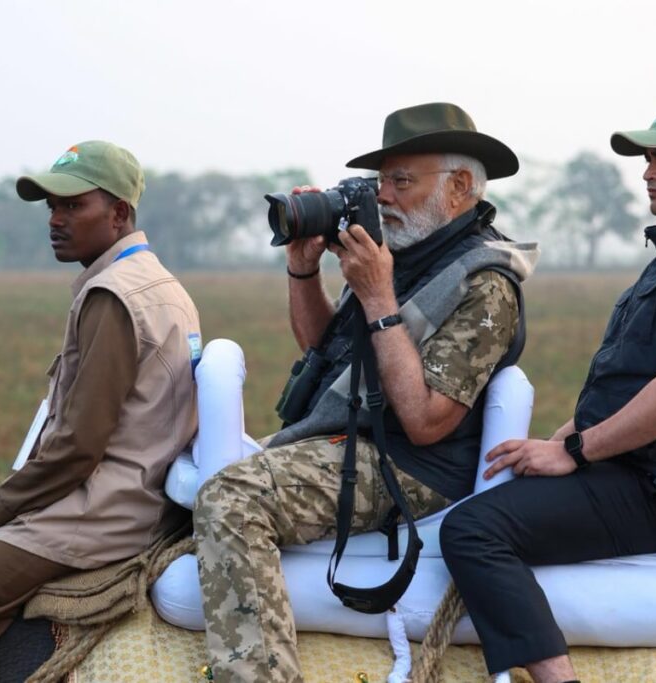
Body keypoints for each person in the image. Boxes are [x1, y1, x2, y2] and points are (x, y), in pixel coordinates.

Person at [193, 102, 539, 682]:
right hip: (350, 438)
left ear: (458, 188)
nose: (384, 196)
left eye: (402, 181)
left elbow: (428, 421)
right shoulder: (400, 253)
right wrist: (304, 269)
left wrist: (379, 298)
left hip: (412, 463)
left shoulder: (485, 283)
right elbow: (323, 350)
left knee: (232, 497)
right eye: (381, 181)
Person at [441, 98, 656, 683]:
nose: (648, 171)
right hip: (638, 467)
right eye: (647, 159)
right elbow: (638, 381)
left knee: (473, 530)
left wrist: (574, 452)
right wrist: (566, 436)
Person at [0, 140, 202, 682]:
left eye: (73, 206)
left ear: (119, 213)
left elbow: (77, 449)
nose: (56, 220)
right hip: (139, 499)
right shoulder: (160, 284)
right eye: (51, 208)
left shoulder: (112, 295)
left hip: (102, 512)